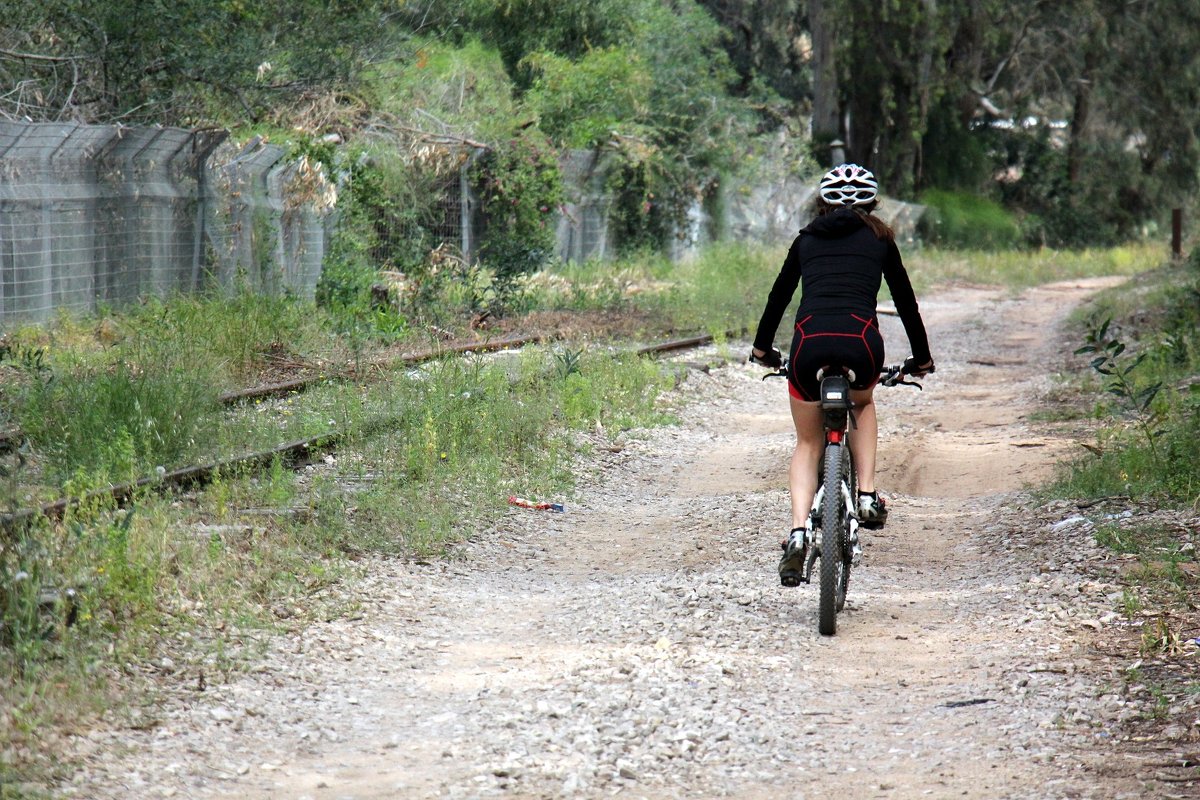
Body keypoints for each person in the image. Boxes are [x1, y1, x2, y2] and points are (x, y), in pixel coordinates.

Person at [749, 163, 934, 587]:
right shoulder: (881, 239)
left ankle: (798, 533)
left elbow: (780, 296)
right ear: (872, 204)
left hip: (809, 343)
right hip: (861, 343)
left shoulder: (806, 239)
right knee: (864, 403)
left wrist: (762, 349)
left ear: (821, 203)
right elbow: (906, 303)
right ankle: (866, 496)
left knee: (808, 441)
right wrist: (921, 358)